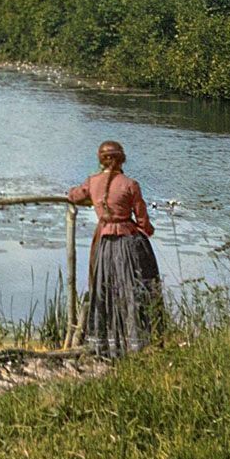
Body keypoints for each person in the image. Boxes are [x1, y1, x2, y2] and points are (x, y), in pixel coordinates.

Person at [68, 140, 162, 359]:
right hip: (129, 245)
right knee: (132, 290)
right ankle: (136, 344)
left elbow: (74, 195)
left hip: (104, 244)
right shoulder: (131, 184)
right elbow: (143, 222)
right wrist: (148, 230)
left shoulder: (93, 182)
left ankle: (105, 345)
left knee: (104, 289)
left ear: (101, 159)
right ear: (122, 159)